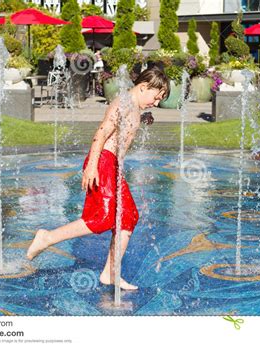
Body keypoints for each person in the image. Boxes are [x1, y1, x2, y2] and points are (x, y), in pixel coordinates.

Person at [26, 68, 170, 290]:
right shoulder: (123, 103)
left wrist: (143, 118)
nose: (156, 103)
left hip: (113, 166)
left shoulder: (133, 106)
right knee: (102, 218)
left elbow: (123, 127)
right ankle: (47, 237)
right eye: (156, 97)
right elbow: (101, 133)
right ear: (143, 87)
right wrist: (91, 166)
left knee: (128, 216)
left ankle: (110, 273)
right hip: (102, 162)